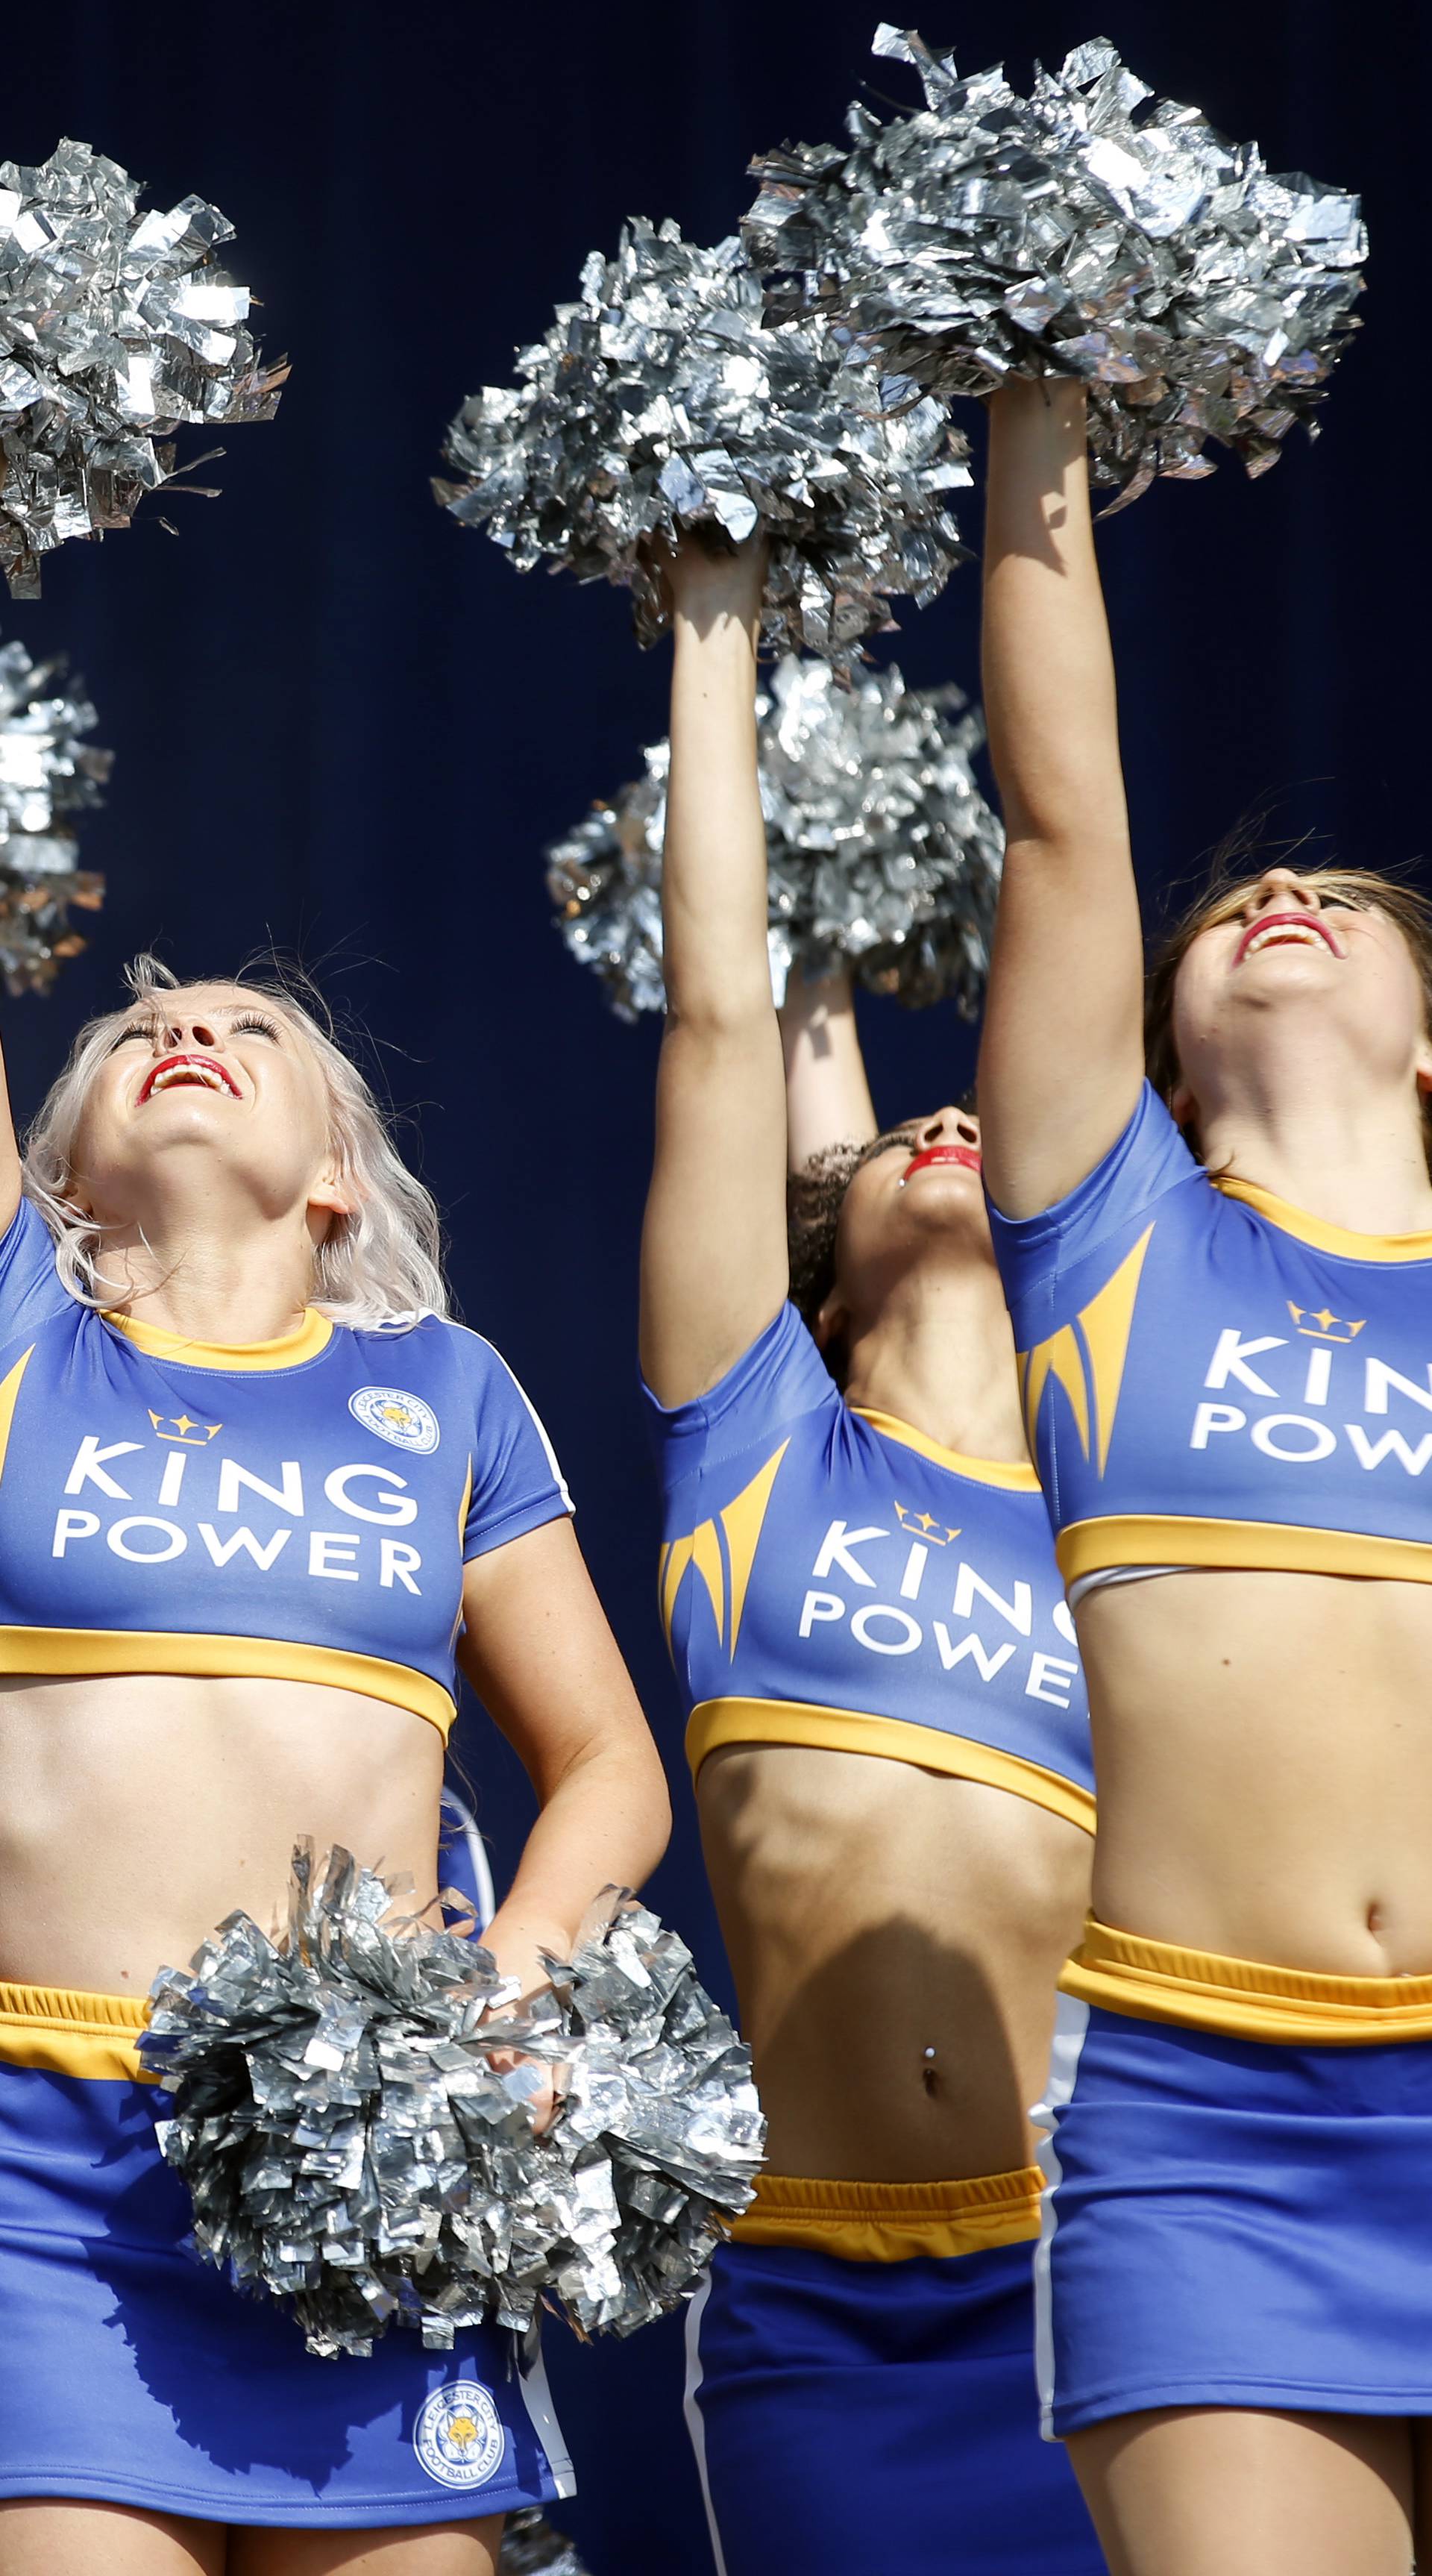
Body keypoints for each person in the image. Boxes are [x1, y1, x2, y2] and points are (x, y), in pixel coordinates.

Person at [0, 958, 671, 2575]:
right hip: (43, 2179)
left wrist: (505, 1985)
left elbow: (608, 1767)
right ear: (64, 1169)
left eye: (249, 1031)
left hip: (362, 2183)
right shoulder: (21, 1331)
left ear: (333, 1177)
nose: (186, 1039)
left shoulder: (447, 1391)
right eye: (145, 1034)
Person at [979, 375, 1432, 2576]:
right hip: (1211, 2123)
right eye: (1246, 891)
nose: (1280, 890)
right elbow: (1066, 822)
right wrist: (1041, 398)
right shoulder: (1111, 1244)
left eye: (1346, 895)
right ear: (1152, 1041)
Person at [641, 533, 1105, 2575]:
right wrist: (710, 620)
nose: (947, 1126)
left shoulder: (1128, 1507)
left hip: (1099, 2274)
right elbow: (729, 1028)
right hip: (815, 2302)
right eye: (899, 1131)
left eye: (980, 1122)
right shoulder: (755, 1453)